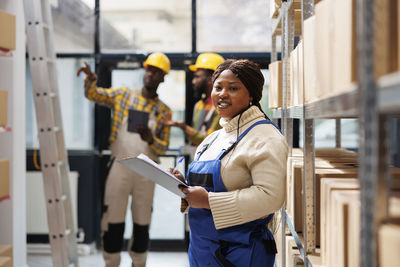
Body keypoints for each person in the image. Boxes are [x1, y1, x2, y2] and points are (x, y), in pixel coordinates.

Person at [170, 59, 288, 267]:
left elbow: (271, 197)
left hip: (239, 253)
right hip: (202, 250)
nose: (222, 94)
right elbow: (206, 189)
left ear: (251, 94)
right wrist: (183, 185)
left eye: (233, 88)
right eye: (218, 87)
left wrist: (208, 201)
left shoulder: (266, 137)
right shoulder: (212, 139)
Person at [77, 52, 172, 267]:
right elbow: (94, 95)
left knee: (142, 222)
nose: (151, 75)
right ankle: (111, 263)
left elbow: (163, 147)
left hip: (147, 172)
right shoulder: (124, 95)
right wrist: (91, 79)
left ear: (163, 78)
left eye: (156, 72)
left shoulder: (163, 111)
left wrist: (151, 139)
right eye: (149, 69)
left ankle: (139, 263)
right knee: (113, 220)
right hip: (119, 166)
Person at [162, 53, 224, 146]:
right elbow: (197, 138)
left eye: (197, 77)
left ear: (211, 79)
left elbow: (209, 141)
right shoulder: (199, 105)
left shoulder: (221, 108)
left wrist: (184, 127)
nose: (193, 81)